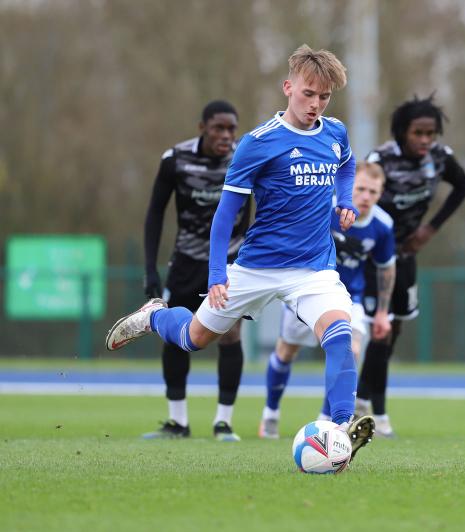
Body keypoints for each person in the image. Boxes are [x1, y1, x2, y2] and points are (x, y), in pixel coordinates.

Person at [106, 44, 375, 459]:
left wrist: (346, 201)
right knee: (195, 338)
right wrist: (217, 275)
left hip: (314, 269)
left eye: (324, 96)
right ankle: (154, 316)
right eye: (308, 94)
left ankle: (341, 427)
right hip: (257, 267)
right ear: (288, 87)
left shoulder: (335, 131)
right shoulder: (258, 143)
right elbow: (224, 215)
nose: (316, 104)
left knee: (342, 335)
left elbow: (347, 165)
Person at [356, 94, 465, 435]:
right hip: (374, 258)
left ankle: (365, 399)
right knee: (381, 329)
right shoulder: (381, 159)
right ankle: (374, 411)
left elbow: (463, 186)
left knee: (393, 333)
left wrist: (430, 229)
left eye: (431, 133)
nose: (425, 140)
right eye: (418, 133)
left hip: (407, 256)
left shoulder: (439, 157)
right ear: (401, 132)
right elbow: (357, 193)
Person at [258, 161, 396, 440]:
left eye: (373, 191)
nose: (366, 196)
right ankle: (270, 414)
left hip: (349, 298)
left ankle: (325, 423)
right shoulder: (325, 209)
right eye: (360, 189)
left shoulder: (382, 226)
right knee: (286, 352)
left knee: (351, 349)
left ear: (380, 193)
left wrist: (382, 312)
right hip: (309, 291)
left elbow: (386, 268)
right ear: (347, 186)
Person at [141, 100, 250, 442]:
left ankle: (223, 423)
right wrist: (149, 268)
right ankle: (177, 422)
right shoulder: (175, 160)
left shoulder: (244, 158)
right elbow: (155, 213)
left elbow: (251, 210)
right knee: (176, 334)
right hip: (186, 261)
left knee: (230, 335)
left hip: (229, 262)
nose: (226, 135)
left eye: (232, 129)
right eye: (219, 128)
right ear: (202, 127)